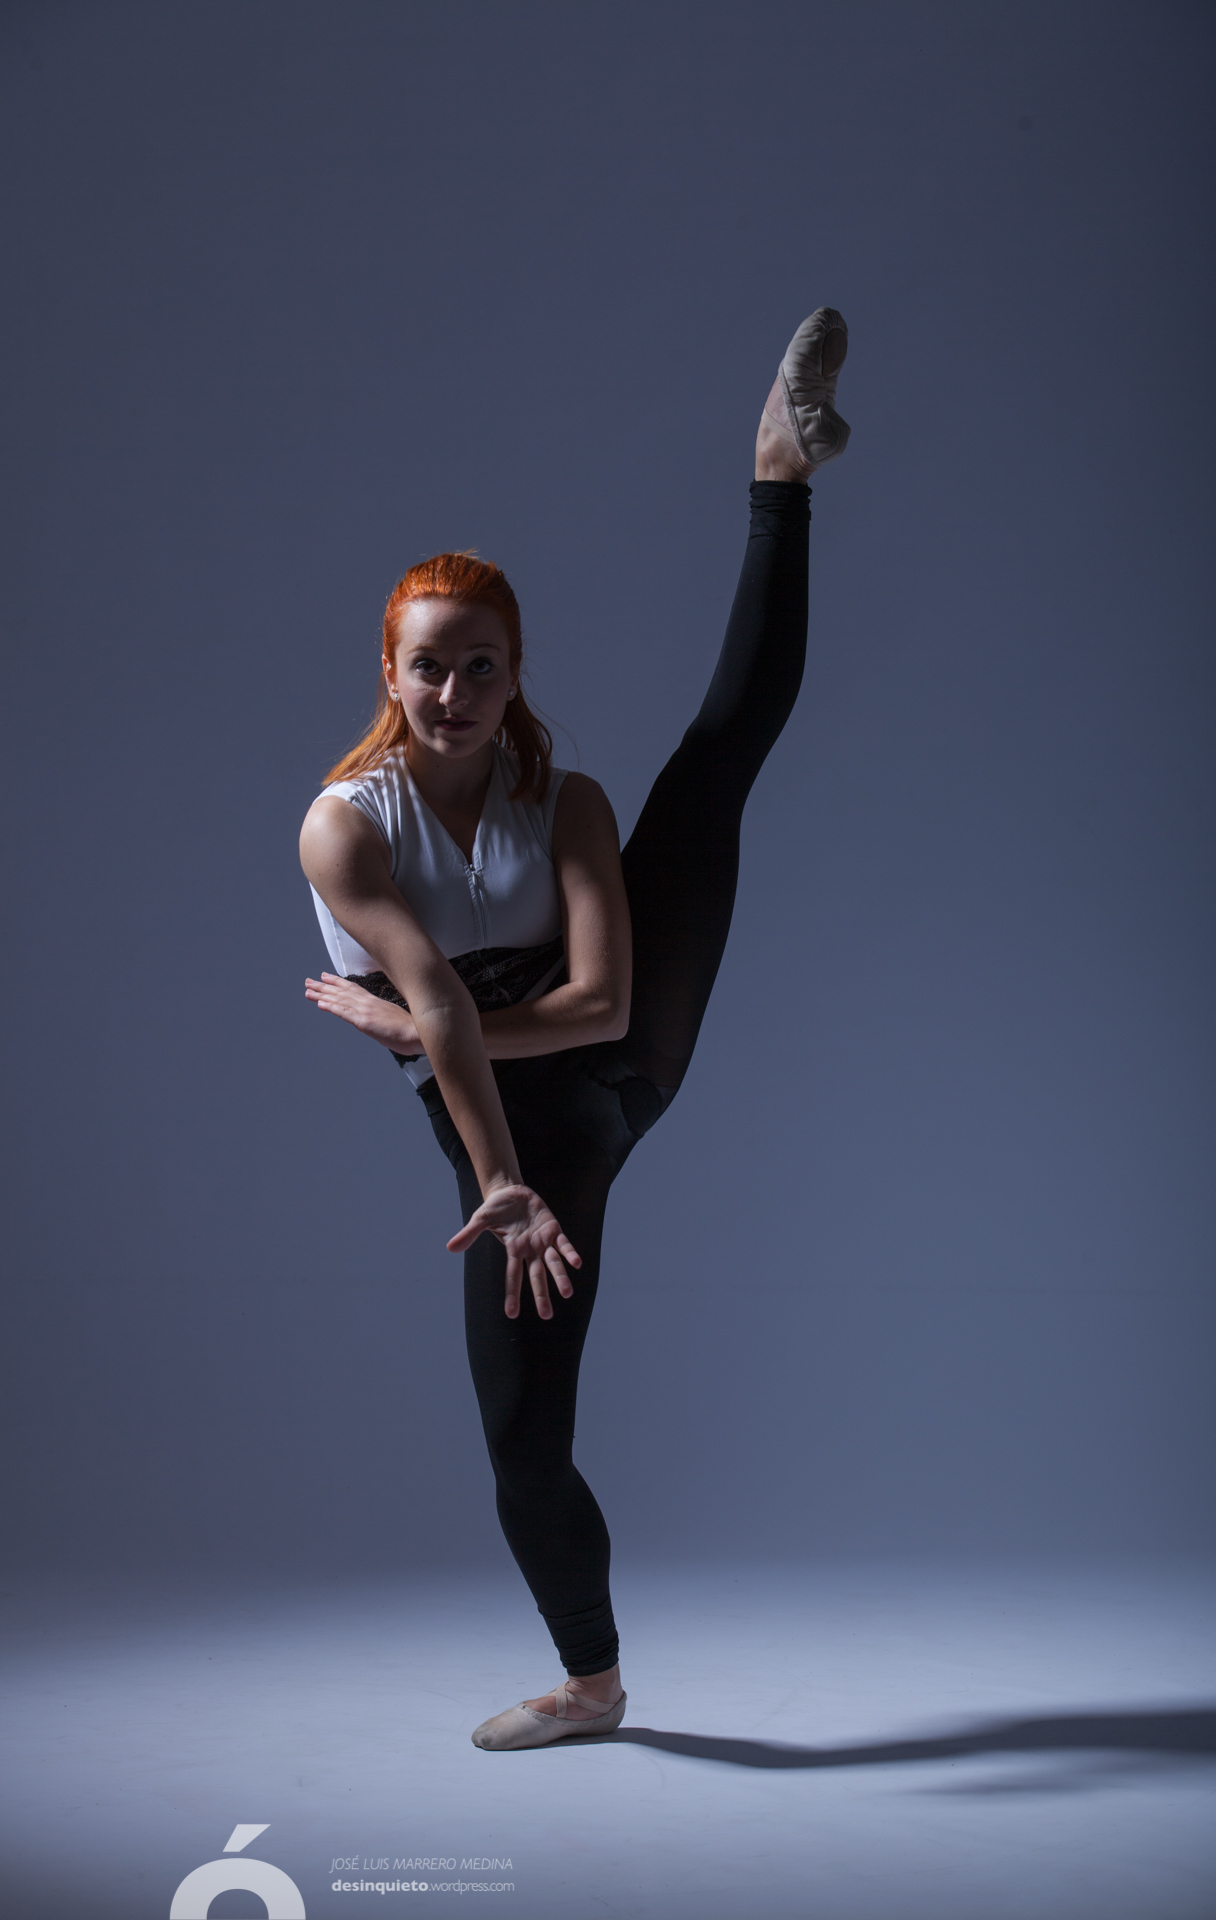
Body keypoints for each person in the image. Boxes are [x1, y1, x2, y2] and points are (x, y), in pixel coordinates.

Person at [300, 309, 850, 1750]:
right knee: (524, 1452)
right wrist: (495, 1167)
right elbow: (444, 1007)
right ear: (389, 670)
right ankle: (595, 1689)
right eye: (429, 667)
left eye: (482, 667)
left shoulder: (569, 802)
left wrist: (420, 1034)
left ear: (515, 670)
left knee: (715, 764)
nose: (455, 695)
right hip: (527, 1157)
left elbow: (600, 1004)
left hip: (616, 1074)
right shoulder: (346, 829)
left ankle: (780, 471)